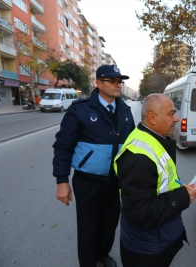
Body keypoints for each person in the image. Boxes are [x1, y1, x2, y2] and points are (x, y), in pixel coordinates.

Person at [53, 64, 135, 267]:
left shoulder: (125, 110)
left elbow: (132, 145)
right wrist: (62, 181)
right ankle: (88, 263)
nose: (118, 85)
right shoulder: (80, 110)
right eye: (113, 81)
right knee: (88, 228)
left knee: (109, 224)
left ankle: (102, 254)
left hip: (114, 181)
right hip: (87, 181)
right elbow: (63, 147)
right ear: (99, 83)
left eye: (120, 81)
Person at [114, 93, 196, 267]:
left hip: (156, 239)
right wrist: (182, 197)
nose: (176, 119)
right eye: (171, 114)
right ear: (152, 118)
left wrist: (179, 189)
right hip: (147, 249)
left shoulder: (154, 138)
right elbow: (139, 212)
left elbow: (159, 180)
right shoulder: (138, 156)